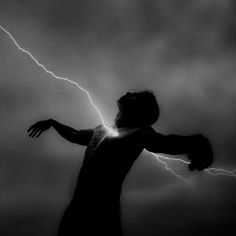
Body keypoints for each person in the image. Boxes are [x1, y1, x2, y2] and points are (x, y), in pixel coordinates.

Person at [27, 91, 213, 236]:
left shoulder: (140, 134)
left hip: (103, 217)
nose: (130, 93)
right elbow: (74, 135)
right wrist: (52, 123)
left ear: (140, 110)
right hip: (76, 213)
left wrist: (199, 141)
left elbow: (166, 142)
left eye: (136, 96)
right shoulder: (100, 131)